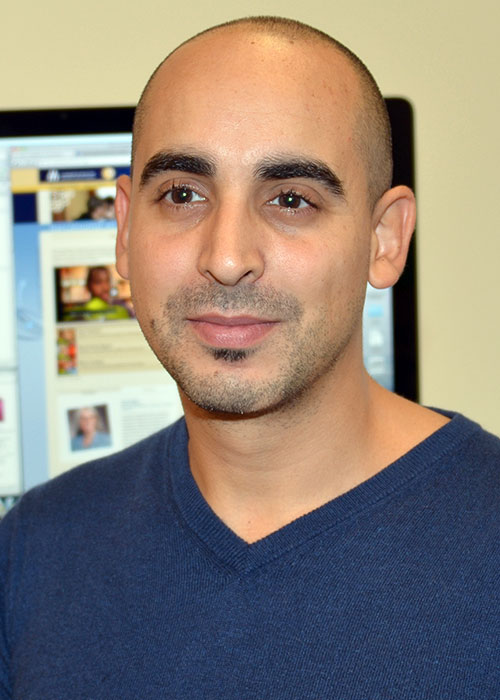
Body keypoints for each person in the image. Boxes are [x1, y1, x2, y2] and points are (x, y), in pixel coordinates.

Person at [1, 16, 498, 699]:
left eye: (291, 199)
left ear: (384, 239)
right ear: (124, 230)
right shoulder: (34, 555)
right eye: (182, 195)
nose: (227, 257)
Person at [62, 265, 131, 321]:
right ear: (88, 286)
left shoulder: (122, 309)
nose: (105, 287)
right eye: (98, 282)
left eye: (107, 281)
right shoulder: (77, 313)